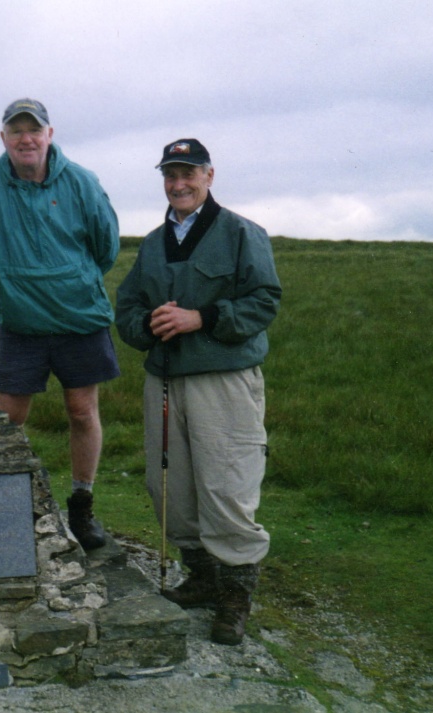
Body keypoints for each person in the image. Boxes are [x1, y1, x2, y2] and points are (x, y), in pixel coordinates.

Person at [114, 138, 281, 645]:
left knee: (226, 486)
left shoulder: (240, 233)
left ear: (210, 176)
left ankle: (235, 597)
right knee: (172, 490)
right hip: (164, 381)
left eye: (189, 173)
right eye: (170, 174)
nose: (179, 184)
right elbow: (126, 310)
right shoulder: (151, 243)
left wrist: (201, 317)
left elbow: (263, 300)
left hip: (223, 381)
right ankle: (203, 578)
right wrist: (150, 325)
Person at [0, 98, 120, 550]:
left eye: (34, 129)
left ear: (49, 134)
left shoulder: (81, 181)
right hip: (21, 321)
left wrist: (77, 281)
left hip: (80, 319)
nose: (26, 138)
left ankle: (82, 506)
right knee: (9, 416)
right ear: (3, 137)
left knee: (82, 411)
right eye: (16, 130)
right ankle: (0, 504)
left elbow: (106, 245)